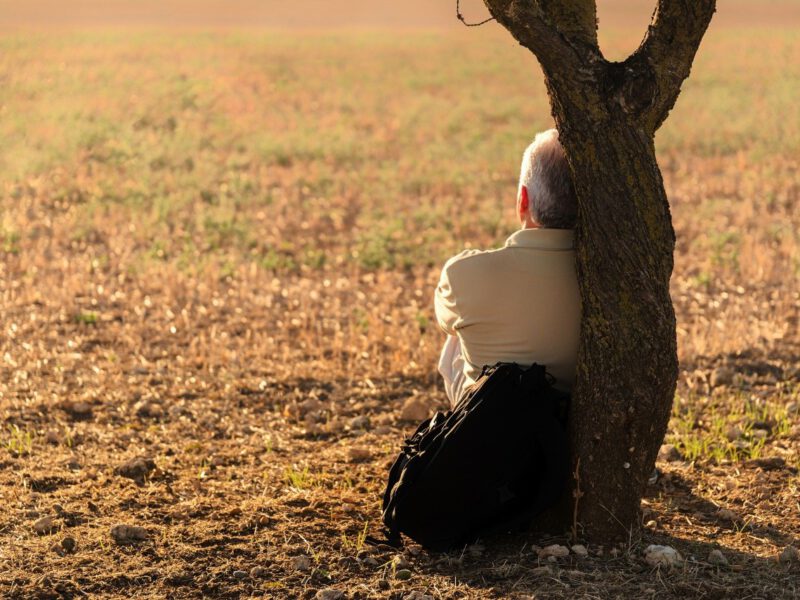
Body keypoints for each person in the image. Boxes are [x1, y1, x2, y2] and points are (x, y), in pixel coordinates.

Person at [435, 129, 581, 406]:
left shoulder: (462, 274)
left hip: (490, 428)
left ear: (523, 199)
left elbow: (444, 321)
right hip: (568, 426)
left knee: (456, 336)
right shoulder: (609, 279)